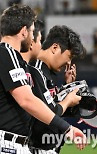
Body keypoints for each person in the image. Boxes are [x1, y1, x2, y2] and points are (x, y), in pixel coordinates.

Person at [0, 4, 86, 153]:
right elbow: (27, 100)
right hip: (7, 143)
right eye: (32, 32)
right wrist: (67, 128)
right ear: (23, 32)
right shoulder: (7, 53)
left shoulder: (13, 58)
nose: (33, 38)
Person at [21, 24, 86, 153]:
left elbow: (52, 107)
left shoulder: (48, 73)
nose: (69, 62)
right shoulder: (36, 70)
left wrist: (67, 89)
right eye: (69, 56)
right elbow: (47, 112)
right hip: (36, 147)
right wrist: (68, 100)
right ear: (55, 47)